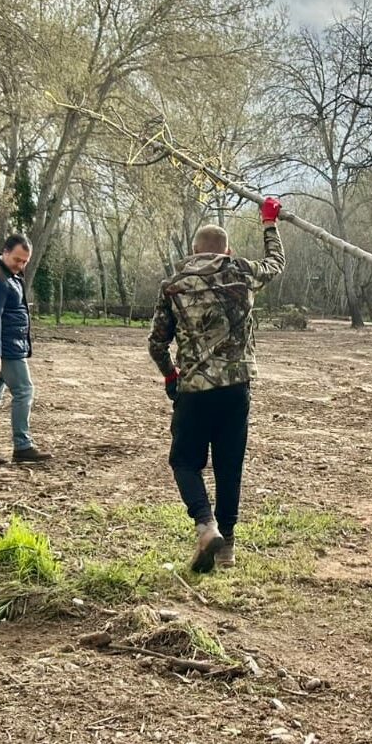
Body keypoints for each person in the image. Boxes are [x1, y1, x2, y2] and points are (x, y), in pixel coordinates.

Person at [148, 197, 285, 572]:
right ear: (228, 251)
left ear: (193, 252)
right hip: (236, 388)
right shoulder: (242, 272)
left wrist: (171, 376)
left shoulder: (174, 285)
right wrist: (269, 223)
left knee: (184, 462)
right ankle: (227, 548)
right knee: (229, 465)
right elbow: (276, 262)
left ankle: (206, 525)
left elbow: (157, 343)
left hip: (193, 390)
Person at [0, 234, 51, 467]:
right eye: (17, 259)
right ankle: (22, 446)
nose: (21, 265)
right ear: (5, 252)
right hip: (5, 349)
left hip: (1, 347)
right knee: (24, 391)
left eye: (25, 261)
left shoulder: (7, 274)